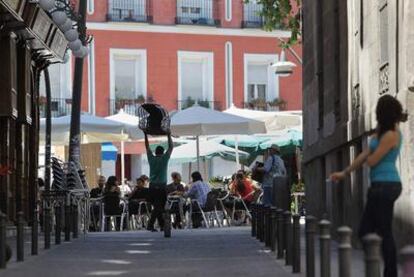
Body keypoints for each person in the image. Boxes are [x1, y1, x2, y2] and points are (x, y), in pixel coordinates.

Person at [330, 95, 404, 277]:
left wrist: (371, 154)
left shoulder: (392, 134)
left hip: (387, 186)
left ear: (382, 113)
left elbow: (372, 160)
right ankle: (381, 269)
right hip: (379, 186)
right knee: (368, 230)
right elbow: (364, 155)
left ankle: (389, 272)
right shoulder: (381, 132)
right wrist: (345, 172)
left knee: (381, 230)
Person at [145, 131, 173, 232]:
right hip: (161, 187)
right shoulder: (165, 159)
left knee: (157, 206)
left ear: (156, 152)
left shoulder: (151, 158)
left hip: (152, 187)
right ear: (162, 152)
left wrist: (145, 135)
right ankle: (150, 224)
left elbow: (147, 147)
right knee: (159, 207)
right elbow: (171, 147)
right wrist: (169, 135)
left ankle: (161, 225)